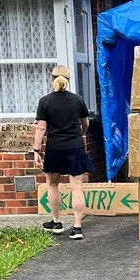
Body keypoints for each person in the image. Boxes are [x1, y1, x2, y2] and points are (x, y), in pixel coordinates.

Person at [33, 65, 92, 240]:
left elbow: (41, 128)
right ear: (68, 79)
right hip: (75, 146)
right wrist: (80, 133)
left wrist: (36, 150)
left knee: (52, 185)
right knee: (77, 187)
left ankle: (57, 222)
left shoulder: (45, 101)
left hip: (55, 147)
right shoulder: (77, 100)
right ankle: (77, 227)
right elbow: (86, 123)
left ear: (52, 79)